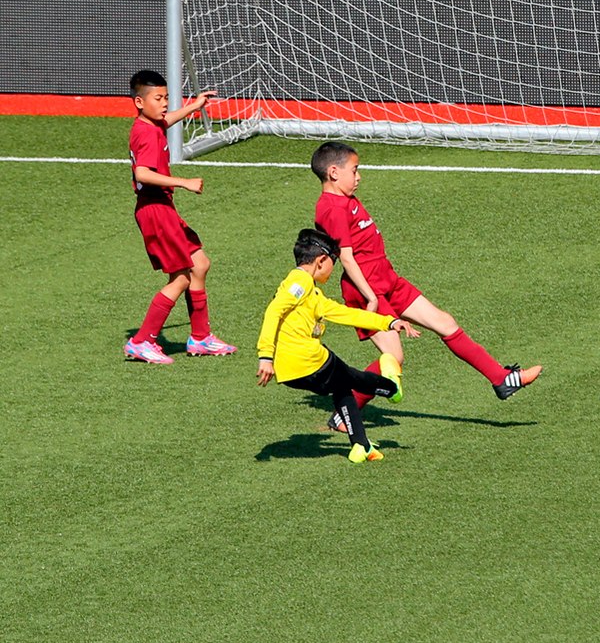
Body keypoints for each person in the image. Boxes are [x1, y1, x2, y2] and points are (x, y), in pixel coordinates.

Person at [311, 141, 541, 432]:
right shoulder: (331, 208)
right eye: (354, 171)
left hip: (388, 279)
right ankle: (347, 411)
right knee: (394, 357)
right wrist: (370, 297)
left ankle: (501, 379)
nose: (359, 177)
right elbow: (346, 257)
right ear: (333, 172)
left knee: (444, 322)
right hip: (367, 289)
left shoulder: (346, 199)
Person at [256, 229, 421, 463]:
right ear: (321, 260)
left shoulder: (311, 292)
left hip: (291, 374)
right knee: (353, 378)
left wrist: (387, 321)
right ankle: (390, 387)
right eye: (333, 262)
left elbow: (344, 314)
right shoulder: (299, 281)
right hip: (310, 361)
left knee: (342, 386)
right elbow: (274, 310)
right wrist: (265, 356)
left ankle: (361, 445)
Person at [123, 69, 237, 363]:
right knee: (182, 277)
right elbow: (143, 174)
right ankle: (142, 340)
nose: (164, 104)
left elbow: (166, 121)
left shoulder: (150, 125)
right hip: (155, 210)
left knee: (200, 263)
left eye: (166, 98)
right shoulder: (146, 134)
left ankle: (200, 338)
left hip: (163, 207)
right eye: (158, 98)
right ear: (139, 102)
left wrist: (193, 106)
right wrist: (183, 182)